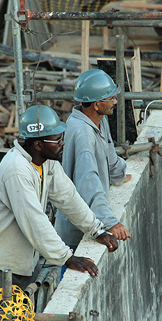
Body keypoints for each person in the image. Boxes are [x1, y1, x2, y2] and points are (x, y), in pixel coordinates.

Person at [0, 104, 119, 293]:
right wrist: (67, 258)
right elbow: (34, 220)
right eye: (57, 140)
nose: (63, 144)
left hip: (14, 264)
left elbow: (69, 198)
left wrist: (96, 231)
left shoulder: (47, 162)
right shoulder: (16, 169)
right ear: (38, 145)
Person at [54, 69, 132, 271]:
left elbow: (110, 156)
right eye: (111, 98)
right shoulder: (83, 134)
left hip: (90, 219)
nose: (115, 102)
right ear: (96, 104)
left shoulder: (99, 120)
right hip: (76, 231)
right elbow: (88, 182)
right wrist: (110, 222)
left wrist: (119, 175)